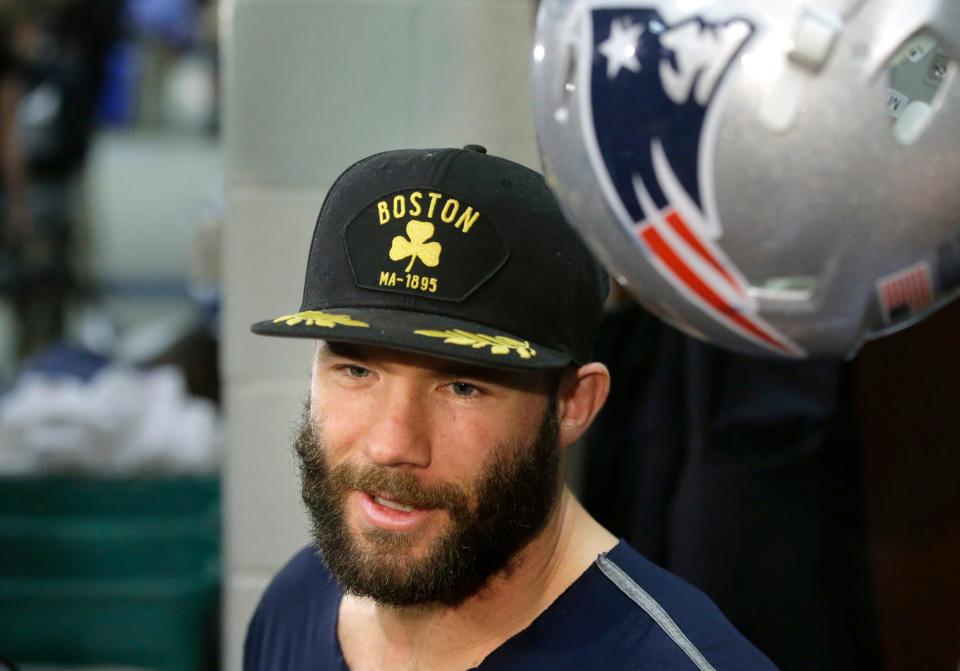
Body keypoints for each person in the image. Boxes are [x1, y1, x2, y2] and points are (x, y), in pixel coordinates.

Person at [243, 144, 778, 671]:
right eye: (357, 371)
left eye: (462, 387)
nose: (392, 444)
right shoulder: (295, 605)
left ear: (574, 404)